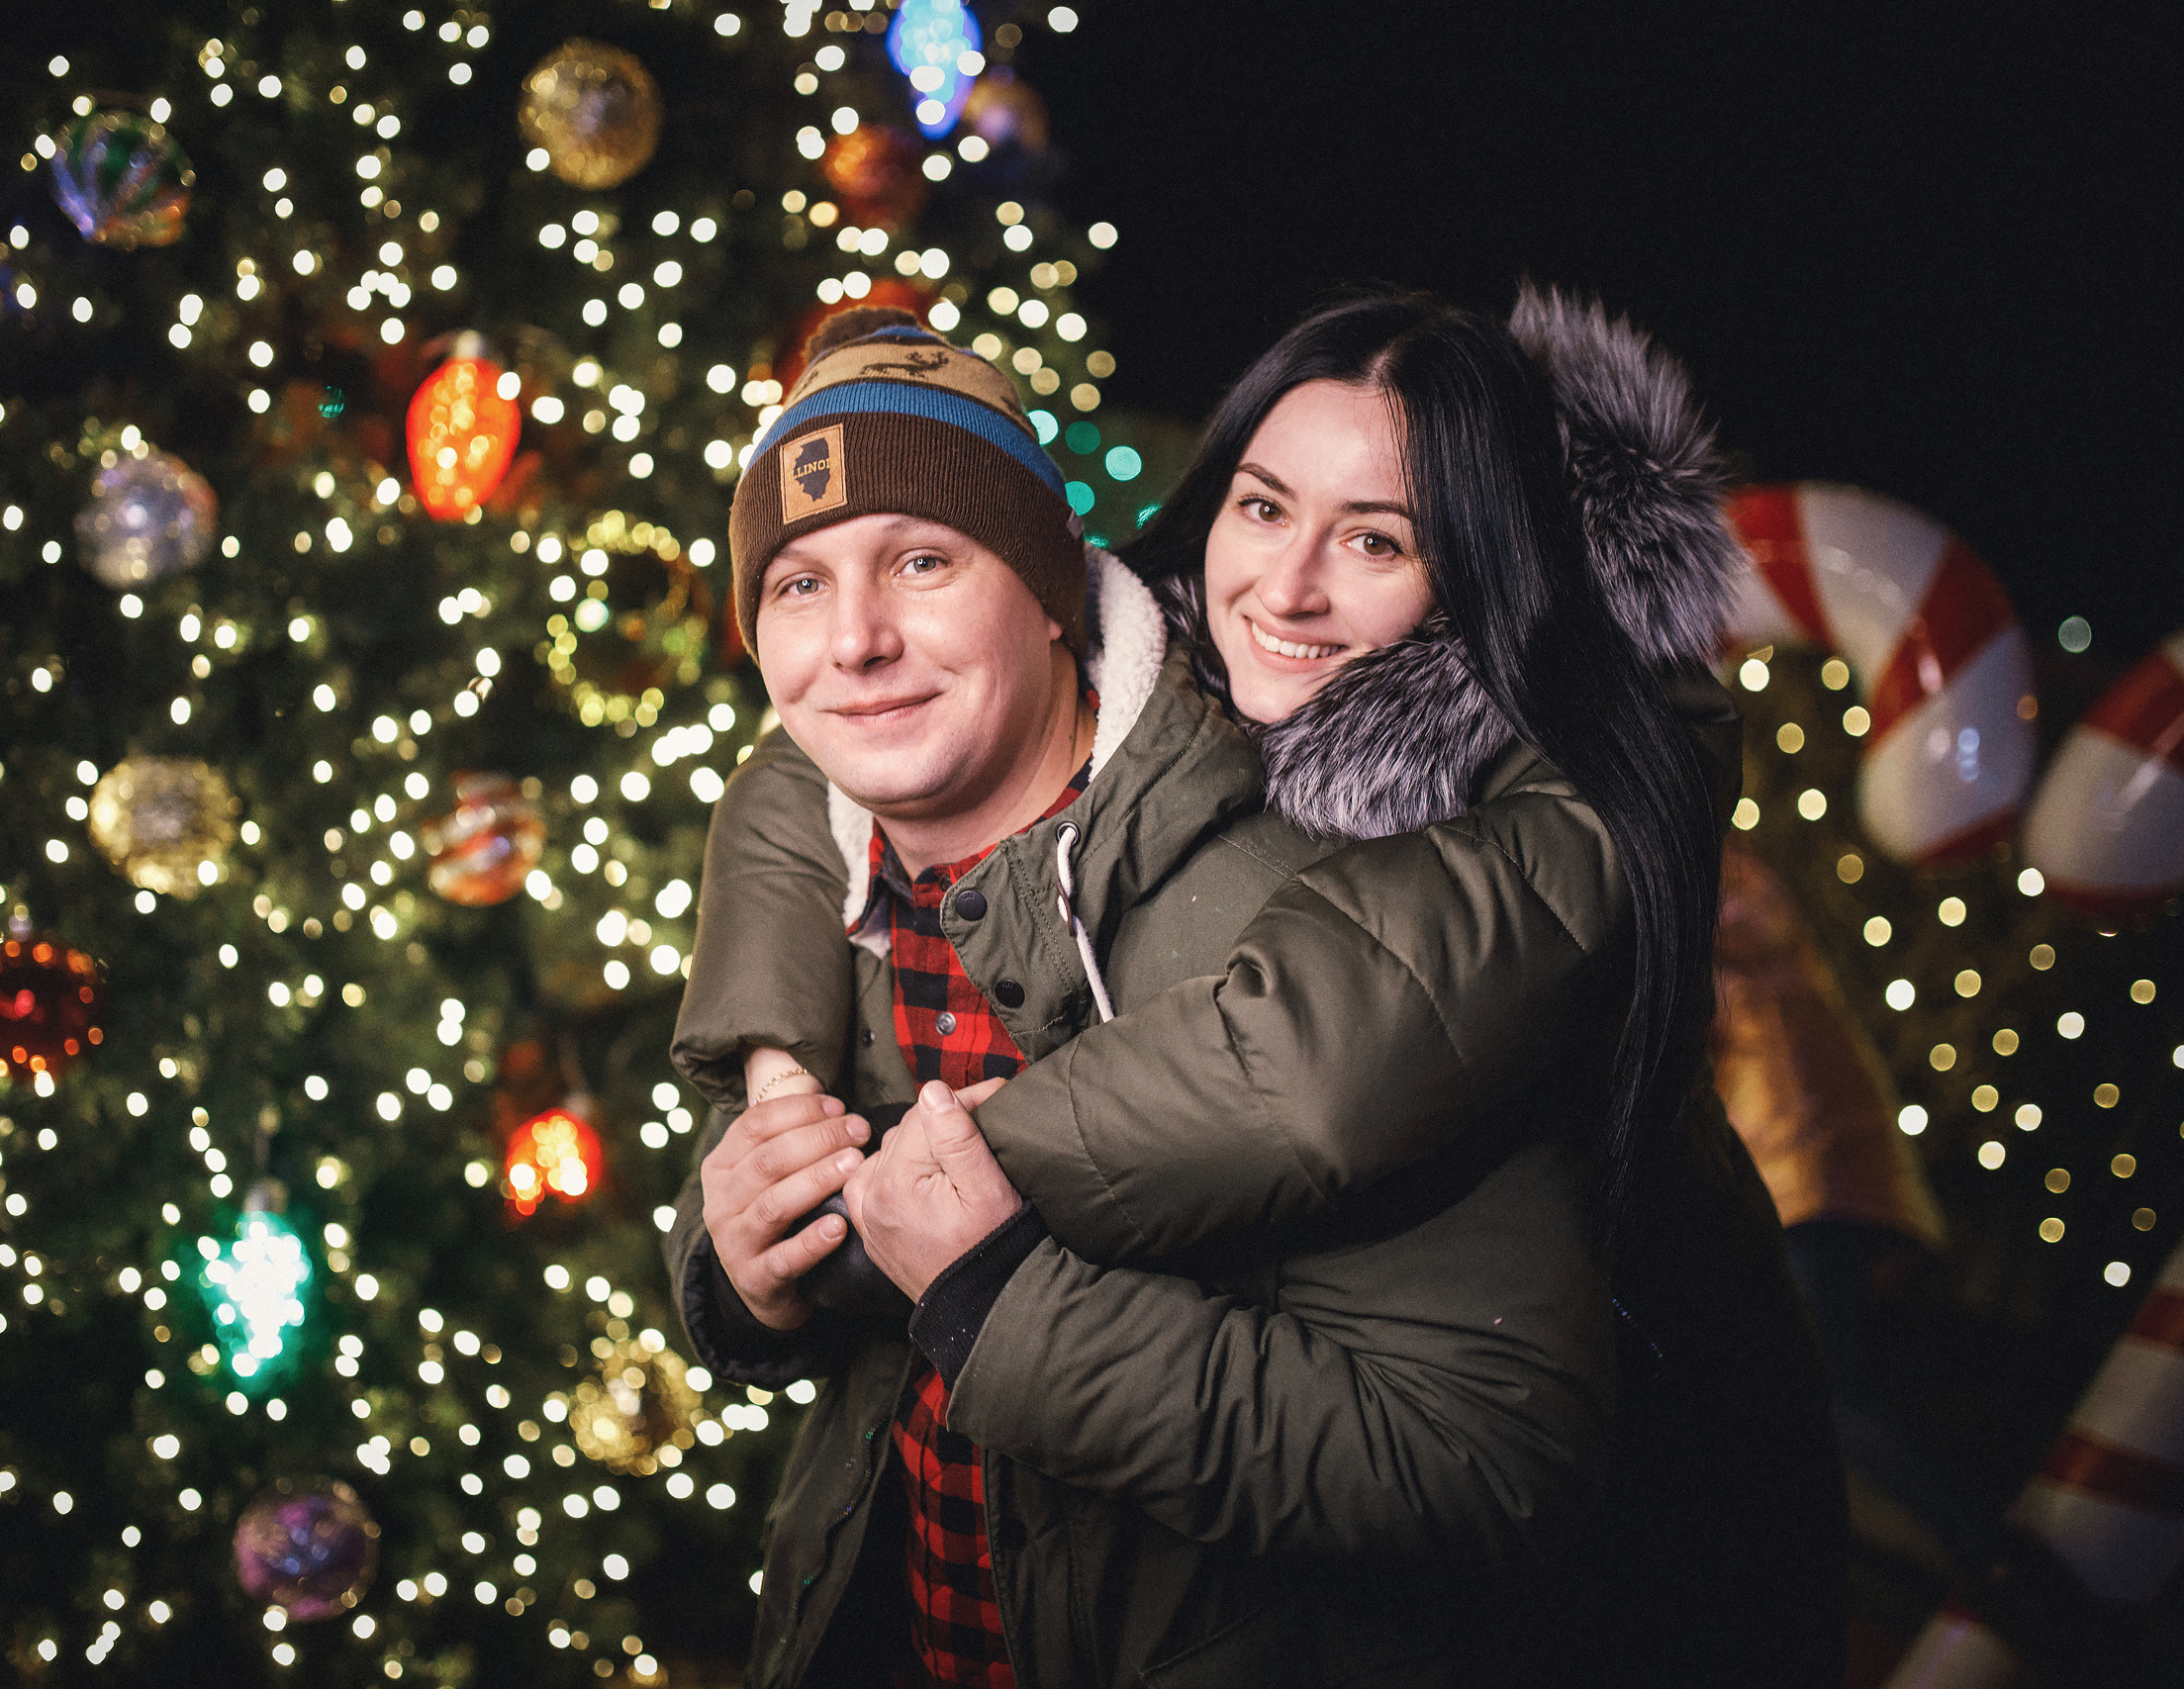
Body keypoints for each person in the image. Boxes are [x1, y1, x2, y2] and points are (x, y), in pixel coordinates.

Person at [668, 291, 1845, 1685]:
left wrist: (987, 1282)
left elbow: (1477, 1456)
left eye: (1375, 539)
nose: (1284, 592)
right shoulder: (925, 775)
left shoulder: (1408, 882)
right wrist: (746, 1239)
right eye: (1262, 507)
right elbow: (793, 776)